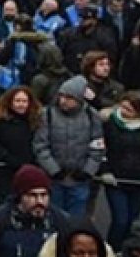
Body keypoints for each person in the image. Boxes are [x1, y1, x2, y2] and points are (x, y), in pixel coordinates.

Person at [33, 76, 105, 216]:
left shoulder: (91, 116)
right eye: (61, 96)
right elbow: (40, 145)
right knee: (54, 217)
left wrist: (87, 171)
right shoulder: (47, 114)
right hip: (54, 179)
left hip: (80, 180)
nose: (63, 101)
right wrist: (53, 169)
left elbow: (97, 146)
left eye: (69, 97)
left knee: (76, 220)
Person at [101, 91, 140, 249]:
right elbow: (101, 148)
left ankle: (126, 254)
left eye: (129, 109)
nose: (124, 111)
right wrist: (104, 170)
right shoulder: (110, 124)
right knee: (120, 220)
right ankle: (112, 251)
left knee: (133, 221)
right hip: (116, 180)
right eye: (122, 107)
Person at [0, 86, 43, 205]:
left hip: (28, 171)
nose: (21, 104)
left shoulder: (36, 120)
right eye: (17, 101)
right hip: (3, 172)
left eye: (24, 101)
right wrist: (7, 157)